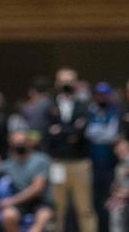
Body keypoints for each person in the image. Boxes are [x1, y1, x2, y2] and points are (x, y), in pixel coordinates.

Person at [45, 67, 96, 232]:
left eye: (70, 81)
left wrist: (61, 130)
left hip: (80, 163)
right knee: (57, 208)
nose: (66, 84)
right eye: (63, 81)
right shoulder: (49, 105)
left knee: (85, 208)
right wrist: (71, 130)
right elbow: (49, 133)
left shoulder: (85, 106)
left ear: (76, 83)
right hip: (57, 162)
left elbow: (80, 132)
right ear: (56, 83)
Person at [0, 130, 54, 232]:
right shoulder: (8, 164)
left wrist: (11, 201)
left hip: (39, 202)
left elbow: (37, 188)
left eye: (22, 142)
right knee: (7, 215)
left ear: (29, 143)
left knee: (43, 217)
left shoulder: (41, 160)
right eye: (17, 143)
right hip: (20, 205)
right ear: (11, 144)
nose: (20, 145)